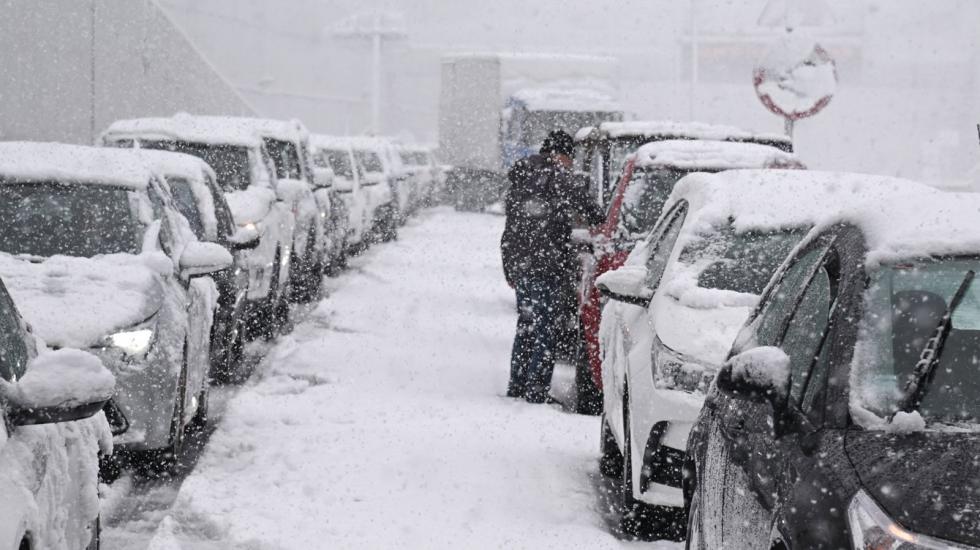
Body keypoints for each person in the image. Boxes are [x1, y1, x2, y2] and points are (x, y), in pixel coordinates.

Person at [500, 130, 605, 403]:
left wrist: (510, 268)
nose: (570, 163)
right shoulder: (560, 177)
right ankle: (536, 391)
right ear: (561, 154)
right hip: (547, 265)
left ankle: (517, 384)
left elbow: (509, 229)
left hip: (521, 265)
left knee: (526, 325)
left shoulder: (522, 176)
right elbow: (594, 213)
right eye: (569, 157)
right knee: (545, 330)